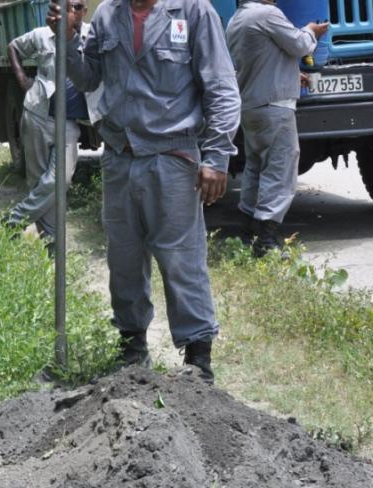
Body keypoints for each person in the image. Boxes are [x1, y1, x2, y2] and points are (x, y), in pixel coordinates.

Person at [48, 0, 240, 383]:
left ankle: (198, 357)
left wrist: (217, 157)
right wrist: (67, 37)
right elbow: (87, 79)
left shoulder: (194, 13)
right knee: (124, 256)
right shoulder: (107, 15)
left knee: (181, 259)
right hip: (120, 156)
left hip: (172, 154)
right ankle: (132, 347)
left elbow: (221, 87)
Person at [226, 1, 329, 257]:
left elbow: (262, 59)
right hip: (275, 106)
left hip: (252, 105)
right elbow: (299, 45)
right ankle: (267, 240)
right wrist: (310, 31)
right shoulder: (267, 14)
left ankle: (248, 231)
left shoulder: (237, 19)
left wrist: (290, 74)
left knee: (256, 167)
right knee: (280, 168)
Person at [1, 0, 99, 251]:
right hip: (38, 116)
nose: (71, 12)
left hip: (69, 124)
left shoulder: (92, 37)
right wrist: (22, 79)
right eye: (66, 7)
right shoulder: (42, 35)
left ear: (84, 12)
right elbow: (13, 47)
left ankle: (14, 219)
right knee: (38, 183)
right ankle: (53, 250)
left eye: (76, 7)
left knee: (59, 181)